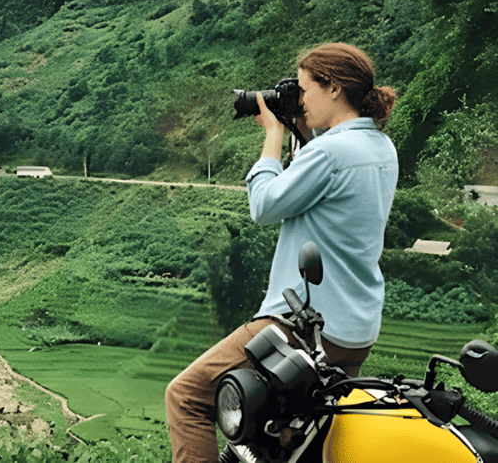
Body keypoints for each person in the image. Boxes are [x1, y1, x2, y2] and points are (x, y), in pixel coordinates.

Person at [165, 43, 399, 463]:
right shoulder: (380, 148)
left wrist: (274, 133)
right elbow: (326, 191)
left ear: (334, 88)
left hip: (302, 327)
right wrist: (302, 135)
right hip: (354, 331)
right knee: (300, 441)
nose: (300, 100)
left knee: (186, 397)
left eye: (305, 90)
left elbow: (266, 205)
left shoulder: (332, 152)